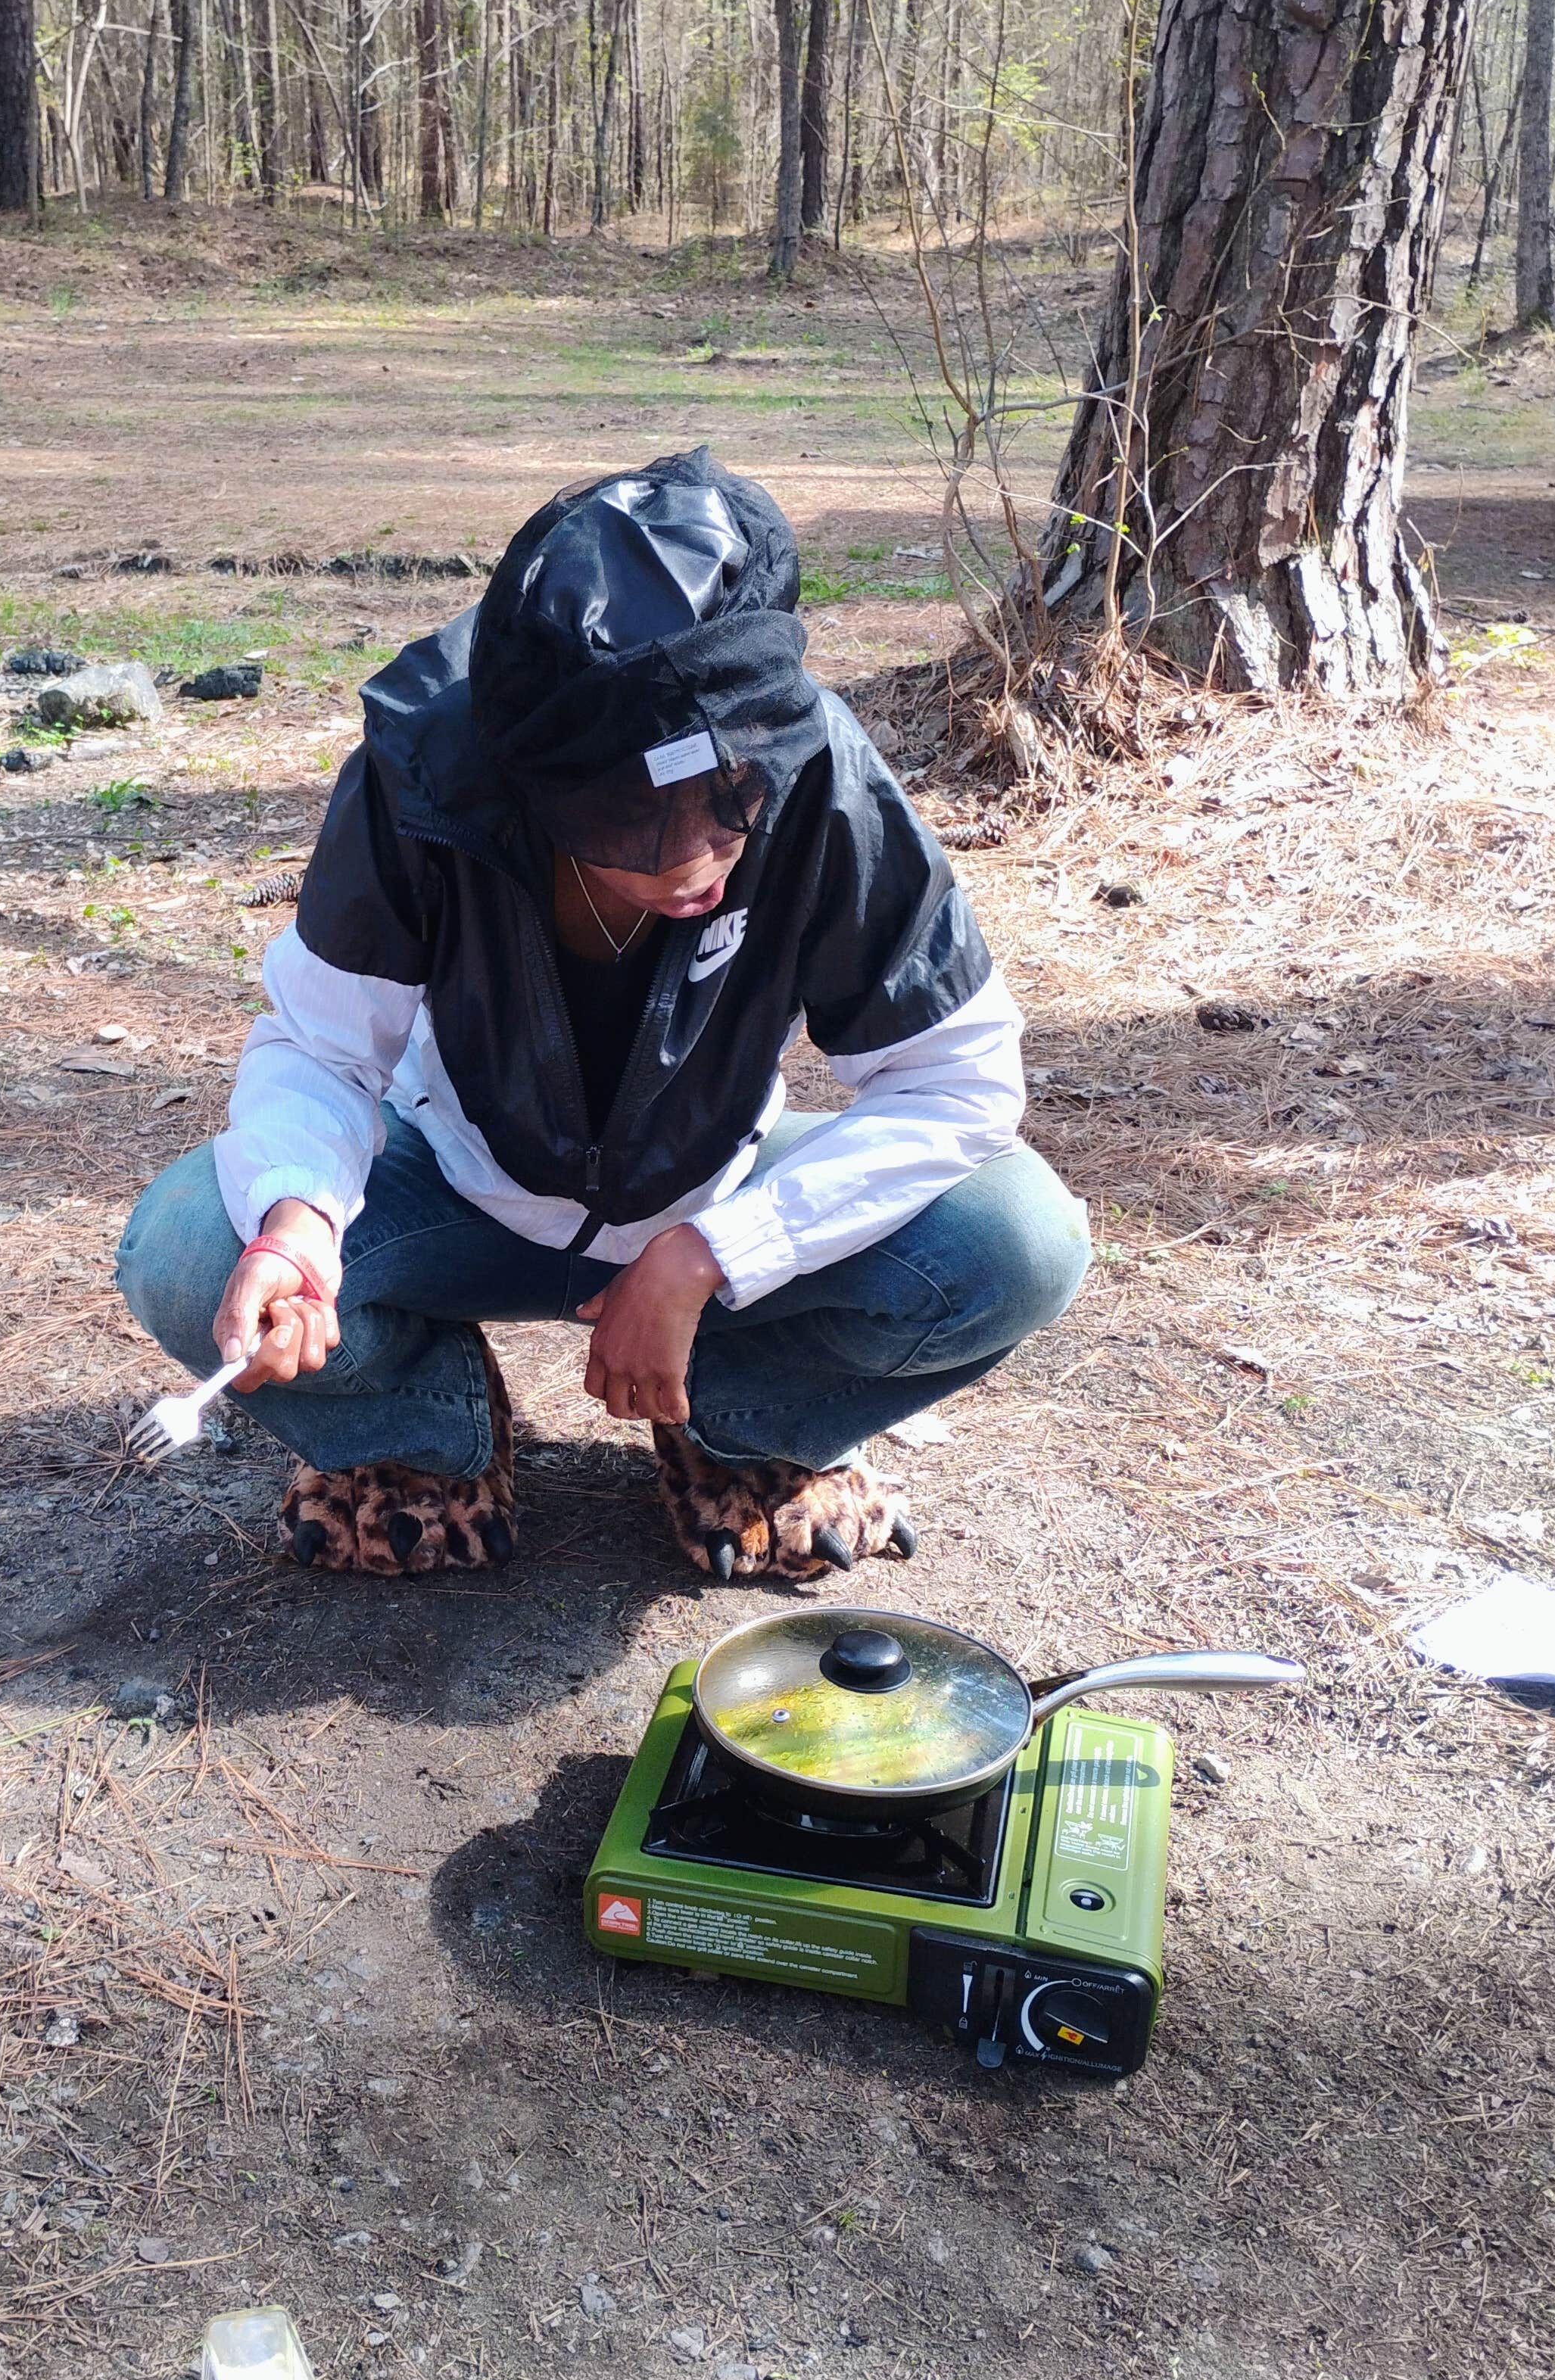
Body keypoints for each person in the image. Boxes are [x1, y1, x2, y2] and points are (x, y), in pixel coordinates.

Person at [117, 448, 1088, 1581]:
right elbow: (321, 1048)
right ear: (532, 785)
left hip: (709, 1182)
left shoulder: (823, 777)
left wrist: (713, 1254)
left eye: (734, 806)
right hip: (460, 1182)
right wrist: (297, 1226)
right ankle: (428, 1442)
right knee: (186, 1255)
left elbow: (959, 1080)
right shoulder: (424, 778)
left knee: (1018, 1241)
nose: (698, 869)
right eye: (633, 830)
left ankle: (740, 1430)